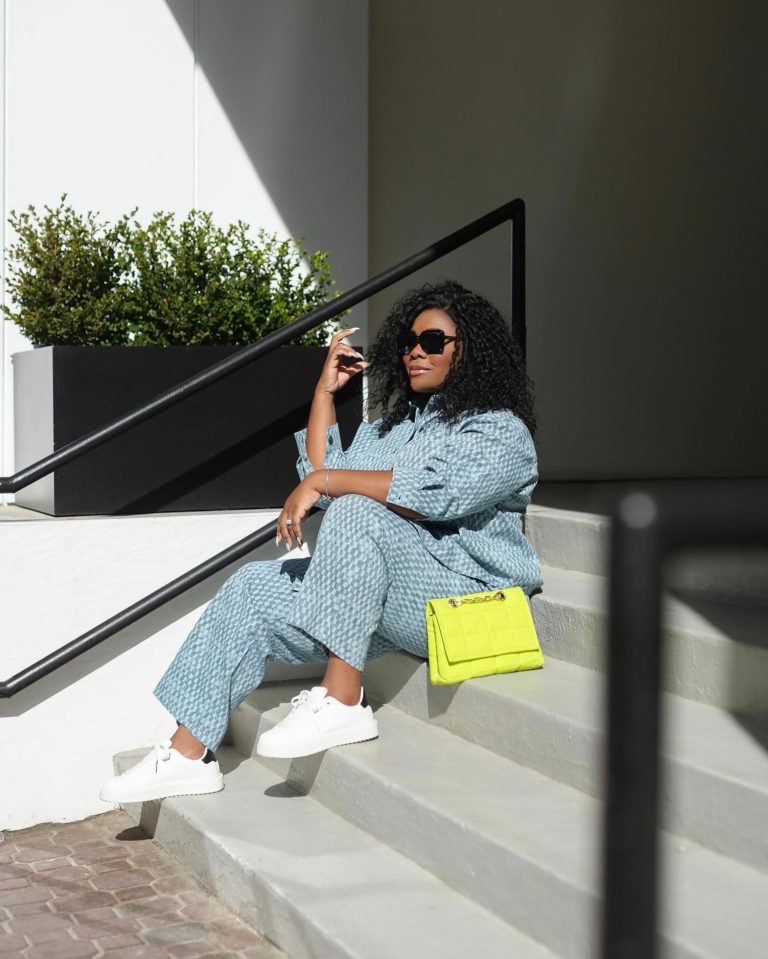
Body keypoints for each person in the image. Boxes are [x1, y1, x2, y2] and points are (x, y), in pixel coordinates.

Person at [100, 280, 542, 804]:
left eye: (432, 342)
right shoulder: (393, 429)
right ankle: (188, 753)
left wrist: (329, 484)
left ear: (467, 350)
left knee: (358, 506)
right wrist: (324, 394)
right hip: (392, 592)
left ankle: (342, 702)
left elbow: (437, 495)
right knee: (252, 587)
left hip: (466, 602)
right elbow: (326, 477)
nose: (414, 353)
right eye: (407, 343)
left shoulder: (499, 429)